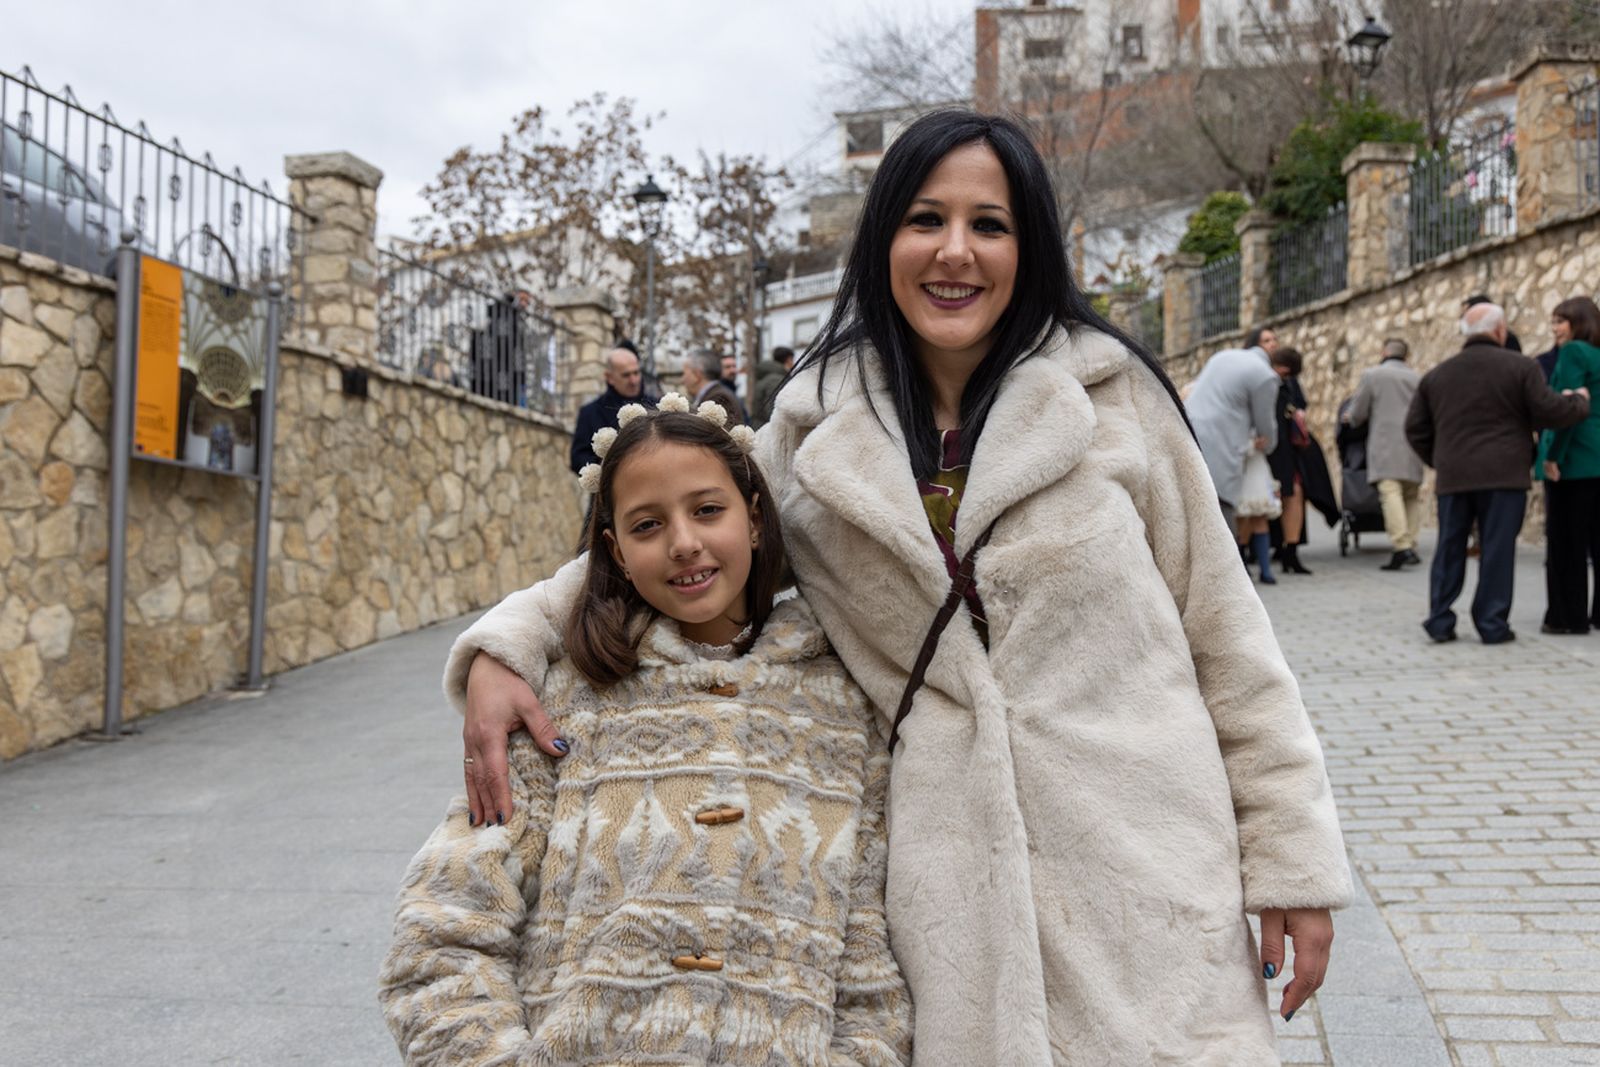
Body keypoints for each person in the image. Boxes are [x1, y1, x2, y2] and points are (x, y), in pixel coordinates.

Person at [448, 110, 1349, 1064]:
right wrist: (507, 645)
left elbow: (1227, 632)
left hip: (1147, 853)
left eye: (989, 224)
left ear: (1027, 244)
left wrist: (1289, 859)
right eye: (926, 219)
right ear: (884, 238)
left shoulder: (1113, 399)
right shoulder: (814, 427)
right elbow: (681, 546)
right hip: (943, 879)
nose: (955, 252)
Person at [380, 400, 912, 1064]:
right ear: (617, 552)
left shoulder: (840, 705)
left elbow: (869, 952)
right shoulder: (564, 704)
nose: (683, 541)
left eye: (707, 510)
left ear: (754, 517)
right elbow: (444, 928)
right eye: (648, 523)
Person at [1405, 302, 1590, 644]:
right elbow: (1548, 410)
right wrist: (1579, 402)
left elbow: (1414, 428)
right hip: (1504, 475)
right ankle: (1491, 624)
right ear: (1500, 330)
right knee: (1497, 549)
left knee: (1449, 547)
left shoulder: (1438, 374)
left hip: (1454, 475)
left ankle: (1440, 620)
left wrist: (1439, 459)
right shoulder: (1520, 367)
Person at [1185, 329, 1282, 561]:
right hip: (1223, 444)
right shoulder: (1265, 375)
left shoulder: (1223, 356)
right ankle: (1224, 572)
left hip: (1189, 430)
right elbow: (1265, 425)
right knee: (1222, 508)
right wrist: (1268, 446)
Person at [1536, 296, 1600, 633]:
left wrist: (1552, 457)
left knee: (1566, 543)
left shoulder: (1575, 352)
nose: (1554, 328)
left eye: (1561, 321)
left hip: (1575, 459)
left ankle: (1567, 616)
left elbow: (1570, 411)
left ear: (1579, 322)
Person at [1346, 338, 1427, 570]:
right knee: (1411, 493)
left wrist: (1350, 419)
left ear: (1384, 352)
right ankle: (1411, 542)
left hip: (1384, 444)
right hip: (1413, 445)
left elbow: (1358, 412)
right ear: (1406, 355)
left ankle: (1401, 546)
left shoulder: (1373, 375)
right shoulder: (1417, 378)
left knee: (1389, 491)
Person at [1265, 345, 1338, 576]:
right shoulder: (1266, 382)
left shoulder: (1284, 384)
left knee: (1294, 493)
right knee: (1268, 500)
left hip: (1286, 449)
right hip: (1270, 449)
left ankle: (1290, 551)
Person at [569, 340, 654, 475]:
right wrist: (609, 467)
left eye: (636, 373)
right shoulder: (590, 413)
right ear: (610, 378)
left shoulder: (656, 406)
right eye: (626, 375)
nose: (633, 381)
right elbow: (578, 458)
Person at [680, 348, 748, 425]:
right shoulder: (714, 396)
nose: (682, 380)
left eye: (684, 373)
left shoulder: (719, 399)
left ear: (697, 375)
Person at [751, 345, 795, 429]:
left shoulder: (768, 376)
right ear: (788, 360)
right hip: (767, 431)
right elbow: (772, 410)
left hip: (760, 427)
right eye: (792, 360)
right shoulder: (776, 380)